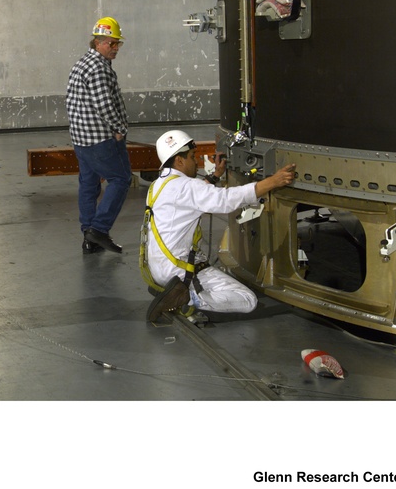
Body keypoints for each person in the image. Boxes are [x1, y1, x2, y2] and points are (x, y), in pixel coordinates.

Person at [143, 129, 297, 322]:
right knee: (247, 299)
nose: (196, 162)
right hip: (177, 269)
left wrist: (215, 176)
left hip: (159, 267)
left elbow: (193, 197)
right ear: (179, 161)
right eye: (192, 157)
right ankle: (185, 297)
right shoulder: (186, 187)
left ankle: (169, 290)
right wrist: (271, 182)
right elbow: (225, 200)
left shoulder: (158, 185)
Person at [65, 17, 133, 255]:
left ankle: (89, 237)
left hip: (82, 139)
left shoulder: (83, 63)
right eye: (112, 44)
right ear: (98, 41)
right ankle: (99, 230)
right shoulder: (98, 68)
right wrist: (120, 129)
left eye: (117, 44)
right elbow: (104, 106)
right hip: (100, 140)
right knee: (121, 179)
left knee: (89, 184)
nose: (115, 48)